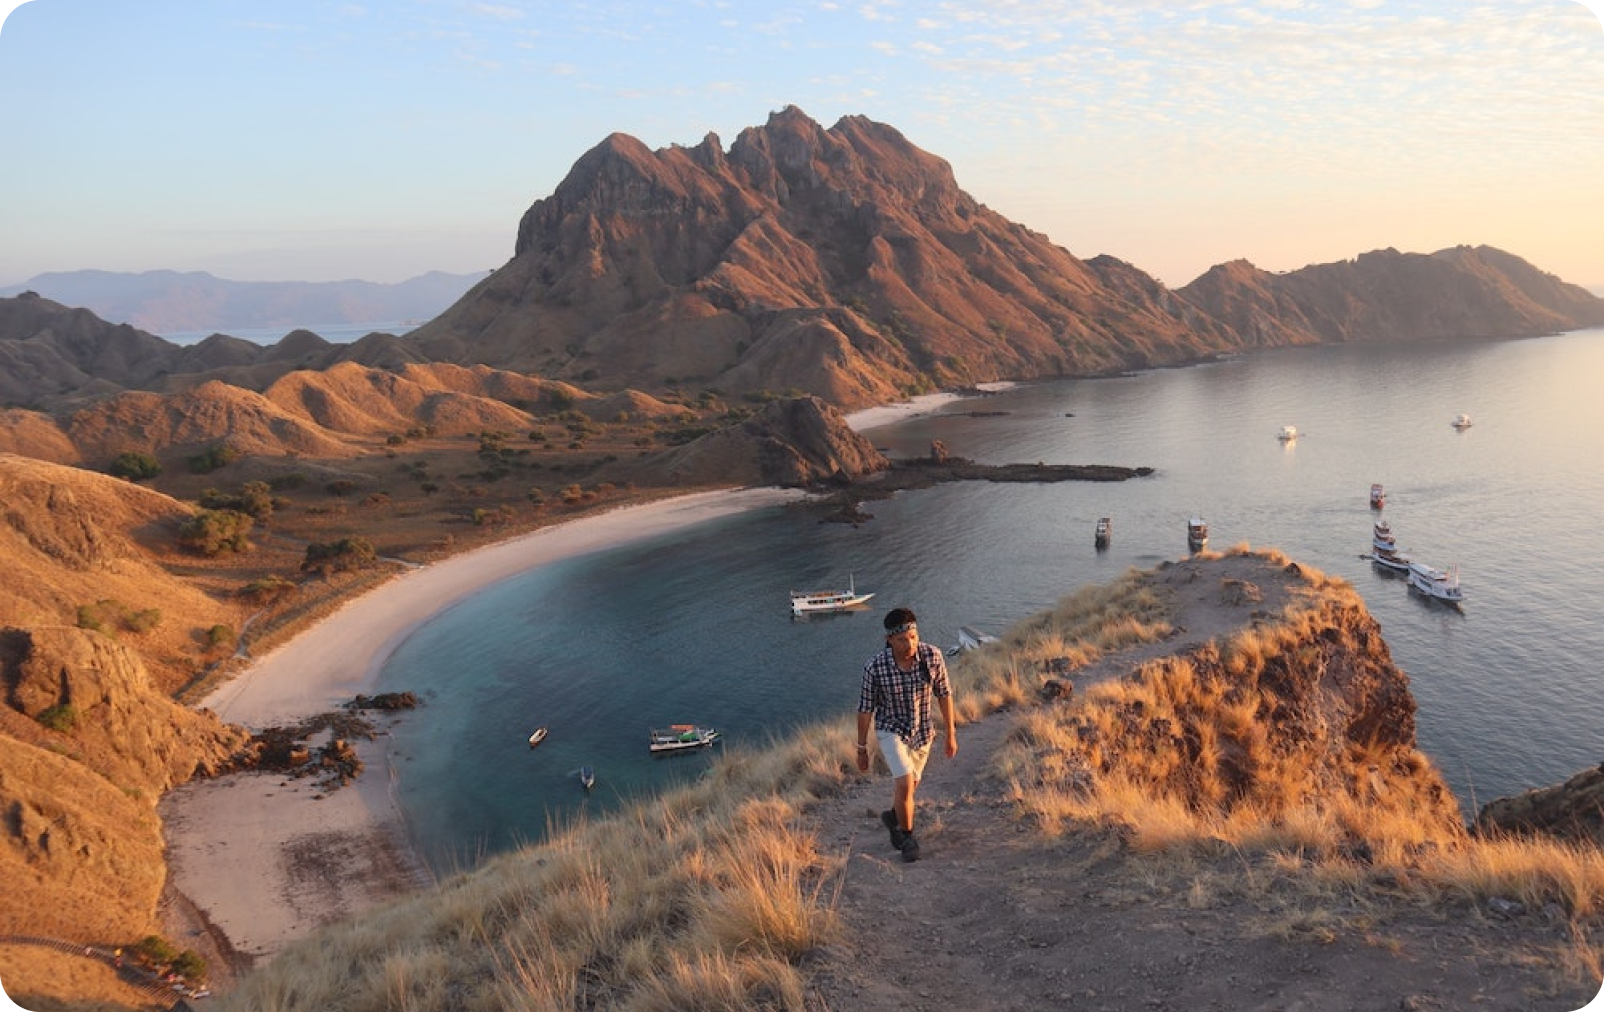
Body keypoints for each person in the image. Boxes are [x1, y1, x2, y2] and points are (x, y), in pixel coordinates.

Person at [855, 606, 958, 862]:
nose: (909, 643)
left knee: (910, 787)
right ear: (889, 639)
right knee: (904, 782)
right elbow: (865, 709)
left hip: (923, 731)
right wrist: (861, 748)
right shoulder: (875, 668)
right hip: (891, 729)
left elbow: (944, 694)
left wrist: (951, 734)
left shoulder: (932, 657)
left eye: (913, 636)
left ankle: (892, 816)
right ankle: (907, 836)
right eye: (901, 639)